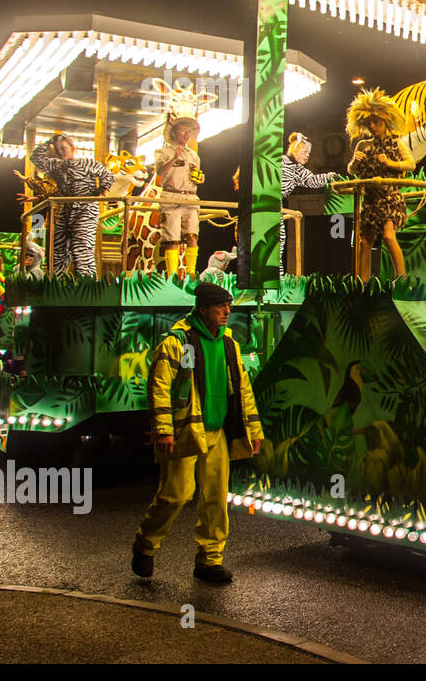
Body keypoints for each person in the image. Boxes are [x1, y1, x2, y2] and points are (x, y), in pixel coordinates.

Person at [131, 282, 264, 582]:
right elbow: (160, 387)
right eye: (221, 307)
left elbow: (243, 388)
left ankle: (210, 561)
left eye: (228, 306)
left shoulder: (229, 343)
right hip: (186, 431)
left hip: (217, 432)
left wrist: (253, 429)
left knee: (216, 498)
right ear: (202, 309)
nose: (227, 312)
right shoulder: (178, 342)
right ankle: (145, 545)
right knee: (176, 494)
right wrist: (164, 430)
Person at [346, 89, 415, 280]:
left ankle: (401, 280)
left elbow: (410, 164)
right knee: (364, 242)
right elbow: (351, 170)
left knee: (388, 236)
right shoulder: (363, 145)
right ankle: (362, 283)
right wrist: (355, 162)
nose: (374, 126)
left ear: (385, 121)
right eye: (370, 123)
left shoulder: (395, 143)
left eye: (377, 122)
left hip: (390, 198)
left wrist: (390, 163)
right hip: (370, 199)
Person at [30, 133, 115, 276]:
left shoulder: (87, 163)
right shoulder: (56, 166)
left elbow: (108, 175)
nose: (61, 152)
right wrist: (48, 143)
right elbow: (35, 158)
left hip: (85, 208)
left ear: (73, 148)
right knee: (58, 246)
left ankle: (87, 283)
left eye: (63, 148)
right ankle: (56, 281)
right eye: (57, 150)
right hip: (67, 208)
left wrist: (101, 189)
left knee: (81, 248)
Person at [280, 132, 338, 276]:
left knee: (279, 241)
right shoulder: (279, 161)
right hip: (265, 202)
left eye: (309, 153)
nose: (307, 155)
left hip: (277, 205)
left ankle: (277, 277)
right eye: (304, 151)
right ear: (294, 147)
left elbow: (311, 181)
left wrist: (329, 176)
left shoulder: (297, 169)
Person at [153, 116, 204, 279]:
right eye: (183, 130)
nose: (186, 134)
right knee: (172, 238)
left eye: (188, 131)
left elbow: (195, 175)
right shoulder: (163, 152)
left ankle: (191, 272)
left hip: (190, 197)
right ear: (173, 133)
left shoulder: (194, 156)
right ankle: (172, 274)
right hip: (171, 196)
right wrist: (175, 157)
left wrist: (200, 178)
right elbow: (160, 172)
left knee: (192, 235)